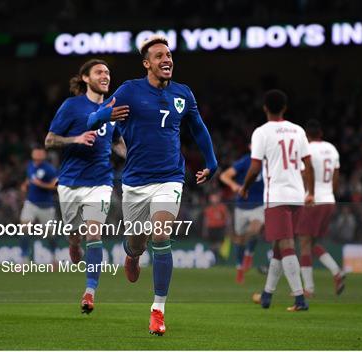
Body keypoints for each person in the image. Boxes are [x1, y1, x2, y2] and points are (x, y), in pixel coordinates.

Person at [87, 35, 217, 335]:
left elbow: (199, 128)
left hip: (170, 177)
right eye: (159, 56)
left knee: (161, 236)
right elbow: (93, 119)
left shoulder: (183, 93)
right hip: (135, 182)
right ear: (147, 64)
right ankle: (132, 255)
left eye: (168, 55)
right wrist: (106, 114)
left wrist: (211, 162)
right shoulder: (130, 90)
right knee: (138, 242)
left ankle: (157, 310)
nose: (166, 59)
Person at [45, 59, 129, 314]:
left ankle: (89, 292)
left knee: (94, 233)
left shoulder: (111, 108)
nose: (105, 75)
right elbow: (49, 140)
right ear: (85, 78)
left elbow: (118, 143)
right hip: (70, 182)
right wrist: (76, 139)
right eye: (99, 72)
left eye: (108, 72)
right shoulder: (72, 106)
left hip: (100, 182)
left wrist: (136, 156)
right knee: (75, 233)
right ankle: (73, 243)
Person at [239, 89, 315, 312]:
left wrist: (244, 187)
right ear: (285, 108)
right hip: (297, 195)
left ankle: (299, 299)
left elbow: (254, 167)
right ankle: (267, 294)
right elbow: (307, 164)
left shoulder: (262, 132)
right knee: (279, 246)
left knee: (286, 244)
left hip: (277, 196)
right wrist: (309, 192)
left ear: (265, 107)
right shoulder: (298, 130)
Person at [297, 119, 345, 297]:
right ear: (321, 134)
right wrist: (329, 195)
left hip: (312, 200)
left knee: (303, 242)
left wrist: (308, 193)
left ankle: (308, 288)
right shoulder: (332, 149)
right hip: (329, 200)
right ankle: (337, 272)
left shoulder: (307, 149)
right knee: (314, 242)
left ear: (306, 136)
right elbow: (336, 178)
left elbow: (304, 173)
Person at [220, 147, 264, 284]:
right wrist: (233, 185)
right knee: (239, 239)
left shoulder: (268, 162)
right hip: (241, 206)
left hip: (259, 205)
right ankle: (239, 269)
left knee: (254, 230)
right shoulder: (245, 161)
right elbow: (224, 176)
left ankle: (249, 254)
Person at [19, 146, 58, 264]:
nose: (37, 160)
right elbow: (30, 178)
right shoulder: (30, 165)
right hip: (31, 203)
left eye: (39, 158)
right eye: (35, 158)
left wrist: (41, 184)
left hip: (46, 206)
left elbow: (55, 185)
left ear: (43, 157)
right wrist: (25, 184)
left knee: (50, 234)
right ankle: (24, 258)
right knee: (24, 228)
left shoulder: (49, 169)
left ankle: (53, 257)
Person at [202, 192, 230, 263]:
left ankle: (217, 255)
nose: (213, 200)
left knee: (219, 244)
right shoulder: (208, 209)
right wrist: (205, 230)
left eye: (215, 198)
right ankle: (214, 258)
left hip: (220, 228)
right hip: (211, 228)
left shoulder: (222, 207)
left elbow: (227, 218)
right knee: (212, 244)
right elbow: (206, 220)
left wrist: (228, 227)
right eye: (212, 198)